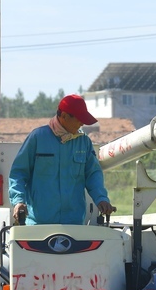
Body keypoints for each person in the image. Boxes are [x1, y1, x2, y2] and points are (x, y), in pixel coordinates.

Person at [8, 94, 114, 225]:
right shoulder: (37, 138)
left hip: (73, 222)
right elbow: (18, 173)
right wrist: (18, 201)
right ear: (64, 116)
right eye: (79, 119)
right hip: (39, 223)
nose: (82, 123)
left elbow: (93, 174)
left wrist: (101, 199)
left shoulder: (84, 142)